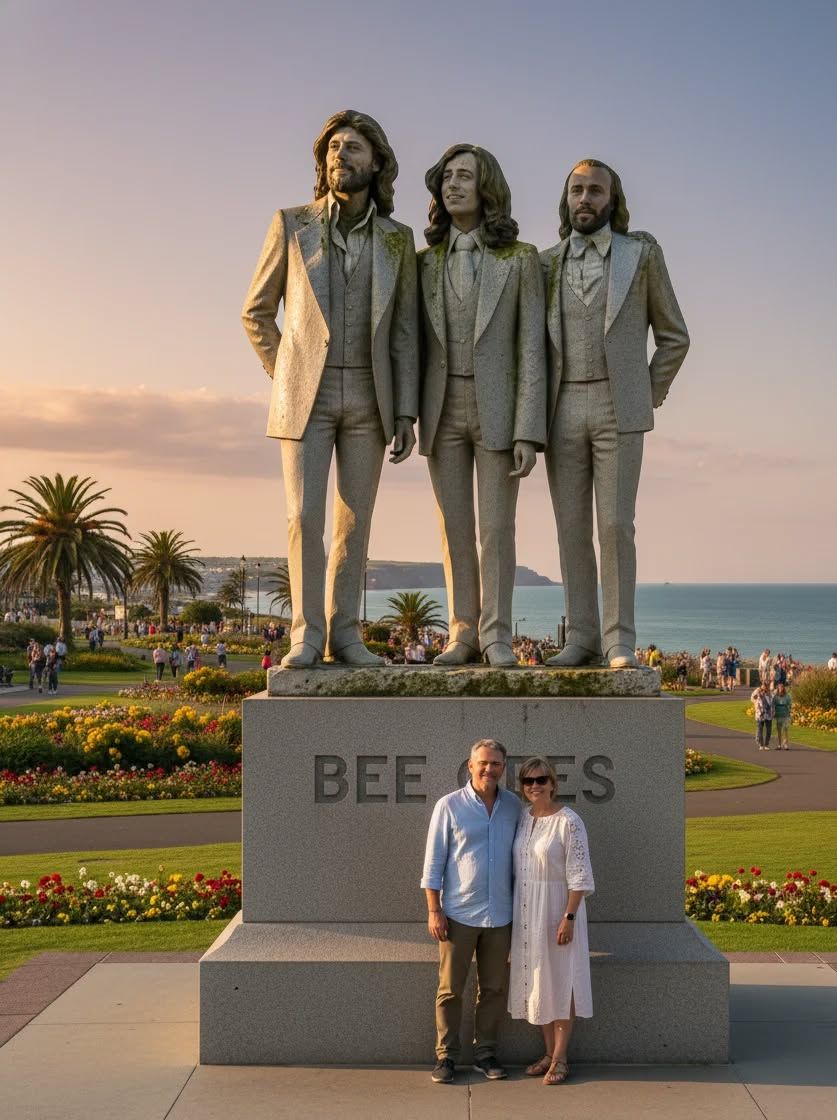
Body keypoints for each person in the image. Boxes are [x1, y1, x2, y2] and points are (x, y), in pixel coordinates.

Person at [242, 109, 419, 668]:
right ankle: (305, 633)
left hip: (372, 400)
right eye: (334, 146)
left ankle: (345, 635)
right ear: (322, 161)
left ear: (377, 163)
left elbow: (406, 334)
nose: (341, 154)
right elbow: (256, 312)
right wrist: (285, 373)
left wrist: (407, 411)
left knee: (354, 521)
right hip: (305, 399)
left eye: (355, 147)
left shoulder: (398, 240)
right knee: (302, 517)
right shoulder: (291, 224)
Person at [541, 159, 688, 668]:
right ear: (566, 199)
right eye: (577, 190)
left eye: (595, 191)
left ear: (612, 199)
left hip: (618, 406)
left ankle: (619, 639)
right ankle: (581, 637)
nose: (585, 199)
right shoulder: (544, 264)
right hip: (559, 408)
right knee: (570, 528)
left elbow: (674, 336)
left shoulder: (640, 254)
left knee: (615, 525)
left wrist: (645, 394)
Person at [418, 144, 546, 667]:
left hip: (498, 410)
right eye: (446, 177)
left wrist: (527, 430)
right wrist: (407, 414)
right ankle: (463, 632)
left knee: (496, 528)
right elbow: (410, 343)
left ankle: (496, 635)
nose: (453, 185)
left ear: (486, 187)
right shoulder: (423, 263)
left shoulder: (521, 260)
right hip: (440, 407)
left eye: (464, 176)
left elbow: (532, 347)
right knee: (453, 528)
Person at [421, 739, 521, 1084]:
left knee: (493, 989)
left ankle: (485, 1053)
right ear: (470, 765)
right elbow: (433, 864)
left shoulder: (514, 806)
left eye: (495, 764)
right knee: (450, 989)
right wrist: (434, 910)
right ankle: (446, 1056)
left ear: (503, 769)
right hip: (458, 915)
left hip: (501, 916)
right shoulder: (449, 806)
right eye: (483, 763)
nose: (489, 769)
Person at [508, 756, 594, 1086]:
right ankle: (547, 1054)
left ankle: (561, 1057)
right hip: (528, 910)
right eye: (528, 781)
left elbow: (580, 875)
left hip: (559, 909)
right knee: (539, 982)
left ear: (553, 783)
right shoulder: (523, 819)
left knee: (562, 981)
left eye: (541, 779)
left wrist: (568, 917)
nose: (534, 786)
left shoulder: (569, 821)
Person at [751, 682, 774, 749]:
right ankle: (761, 744)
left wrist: (773, 712)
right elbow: (752, 699)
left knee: (768, 730)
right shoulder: (757, 694)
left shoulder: (770, 695)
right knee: (760, 729)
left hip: (768, 715)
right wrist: (758, 692)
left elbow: (772, 704)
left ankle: (766, 744)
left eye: (766, 687)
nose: (764, 689)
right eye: (763, 688)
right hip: (760, 715)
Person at [772, 682, 792, 749]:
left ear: (783, 688)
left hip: (785, 714)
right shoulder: (775, 696)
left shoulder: (787, 696)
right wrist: (773, 712)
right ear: (777, 688)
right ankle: (779, 744)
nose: (781, 688)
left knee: (785, 729)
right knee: (779, 730)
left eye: (782, 687)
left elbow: (790, 704)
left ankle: (786, 744)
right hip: (778, 714)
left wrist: (789, 709)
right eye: (779, 687)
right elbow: (772, 704)